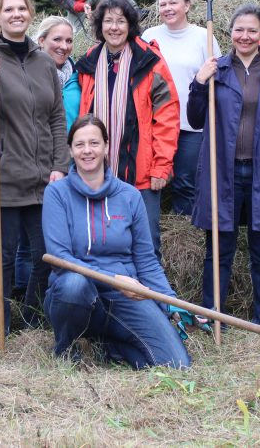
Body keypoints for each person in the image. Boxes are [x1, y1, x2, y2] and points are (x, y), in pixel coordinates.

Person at [43, 115, 191, 369]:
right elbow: (60, 258)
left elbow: (146, 260)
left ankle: (110, 344)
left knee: (176, 364)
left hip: (125, 296)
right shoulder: (57, 193)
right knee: (74, 285)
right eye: (79, 145)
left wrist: (169, 301)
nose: (87, 150)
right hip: (77, 292)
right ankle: (68, 346)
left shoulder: (130, 196)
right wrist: (113, 279)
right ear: (70, 150)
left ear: (106, 146)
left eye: (94, 143)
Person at [188, 4, 260, 327]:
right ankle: (213, 316)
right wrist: (198, 82)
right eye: (239, 30)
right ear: (230, 34)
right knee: (219, 250)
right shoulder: (217, 70)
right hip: (222, 173)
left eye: (252, 30)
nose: (245, 36)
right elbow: (196, 119)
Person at [0, 0, 69, 343]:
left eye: (21, 8)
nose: (15, 14)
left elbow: (56, 116)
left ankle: (33, 317)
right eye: (8, 9)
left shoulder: (44, 61)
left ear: (30, 14)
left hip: (43, 178)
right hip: (0, 176)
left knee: (46, 255)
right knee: (3, 258)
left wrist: (60, 165)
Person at [74, 0, 180, 260]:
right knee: (98, 240)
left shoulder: (149, 61)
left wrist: (162, 166)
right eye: (108, 21)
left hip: (141, 172)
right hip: (97, 171)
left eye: (121, 21)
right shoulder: (89, 61)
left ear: (130, 24)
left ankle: (149, 298)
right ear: (100, 25)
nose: (114, 27)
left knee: (145, 244)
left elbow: (167, 116)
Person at [13, 15, 82, 299]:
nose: (64, 46)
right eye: (57, 39)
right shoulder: (27, 72)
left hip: (69, 164)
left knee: (58, 234)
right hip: (35, 161)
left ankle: (46, 298)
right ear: (40, 41)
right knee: (29, 240)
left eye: (68, 41)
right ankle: (22, 299)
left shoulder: (78, 75)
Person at [142, 0, 221, 216]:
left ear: (187, 5)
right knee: (153, 176)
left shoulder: (203, 37)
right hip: (156, 121)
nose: (167, 8)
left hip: (191, 124)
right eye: (162, 3)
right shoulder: (149, 35)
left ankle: (184, 232)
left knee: (185, 181)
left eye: (173, 2)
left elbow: (216, 77)